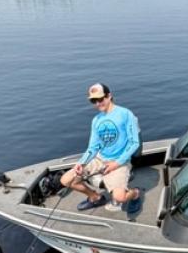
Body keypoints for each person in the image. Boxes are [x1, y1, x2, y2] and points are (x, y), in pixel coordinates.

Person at [60, 83, 142, 213]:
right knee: (66, 180)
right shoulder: (96, 120)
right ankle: (95, 197)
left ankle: (135, 193)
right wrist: (81, 163)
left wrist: (116, 163)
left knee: (119, 197)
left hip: (120, 161)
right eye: (94, 101)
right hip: (100, 159)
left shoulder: (125, 114)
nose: (98, 103)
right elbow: (93, 147)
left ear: (109, 96)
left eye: (100, 99)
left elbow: (134, 143)